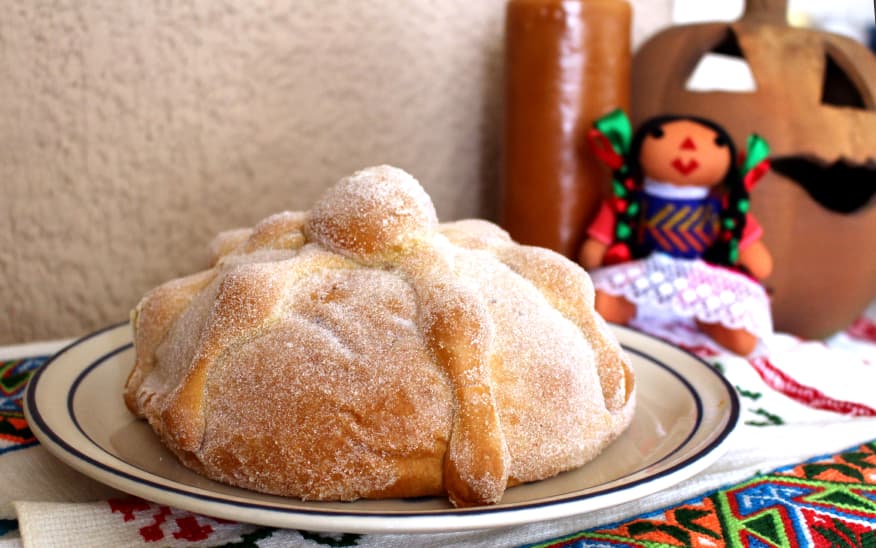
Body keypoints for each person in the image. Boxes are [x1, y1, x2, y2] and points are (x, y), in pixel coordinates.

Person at [579, 111, 772, 355]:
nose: (688, 147)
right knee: (602, 302)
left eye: (716, 143)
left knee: (740, 331)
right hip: (643, 274)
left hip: (700, 285)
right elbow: (592, 254)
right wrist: (597, 250)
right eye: (660, 136)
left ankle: (706, 320)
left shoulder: (724, 209)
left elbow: (760, 263)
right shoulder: (627, 201)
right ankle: (626, 311)